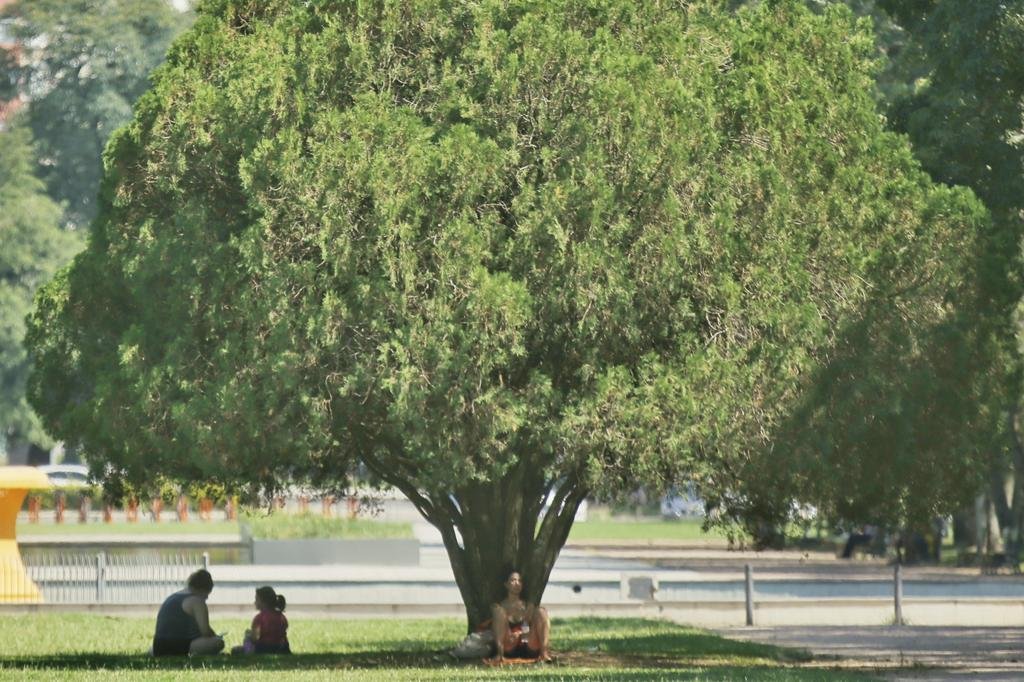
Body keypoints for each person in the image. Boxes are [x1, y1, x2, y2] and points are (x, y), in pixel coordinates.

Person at [152, 569, 224, 657]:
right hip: (180, 646)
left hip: (158, 646)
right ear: (203, 589)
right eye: (207, 593)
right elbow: (205, 631)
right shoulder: (197, 601)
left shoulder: (172, 597)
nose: (207, 597)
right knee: (218, 643)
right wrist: (216, 636)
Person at [488, 569, 551, 663]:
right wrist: (514, 635)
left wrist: (522, 633)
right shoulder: (499, 606)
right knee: (498, 611)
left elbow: (526, 628)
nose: (517, 583)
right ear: (506, 584)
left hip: (527, 642)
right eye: (513, 580)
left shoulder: (528, 606)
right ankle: (499, 654)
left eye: (520, 581)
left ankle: (544, 653)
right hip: (509, 644)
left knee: (541, 611)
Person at [232, 585, 291, 655]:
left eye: (257, 599)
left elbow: (255, 638)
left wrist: (249, 635)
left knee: (236, 649)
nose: (254, 602)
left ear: (264, 602)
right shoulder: (282, 617)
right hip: (281, 648)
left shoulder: (259, 618)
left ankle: (248, 653)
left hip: (262, 649)